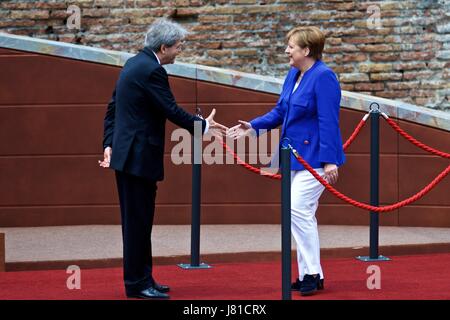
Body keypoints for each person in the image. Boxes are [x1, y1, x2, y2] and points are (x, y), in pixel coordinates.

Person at [99, 18, 227, 299]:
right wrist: (203, 126)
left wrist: (108, 143)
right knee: (137, 224)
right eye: (178, 46)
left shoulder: (134, 63)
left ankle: (144, 279)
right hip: (137, 159)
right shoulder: (152, 71)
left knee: (140, 223)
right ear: (164, 46)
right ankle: (137, 284)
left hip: (129, 157)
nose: (179, 51)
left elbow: (112, 109)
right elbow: (170, 110)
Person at [227, 26, 345, 296]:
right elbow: (281, 110)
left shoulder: (324, 77)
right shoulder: (294, 74)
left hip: (316, 159)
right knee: (301, 214)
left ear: (306, 50)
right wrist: (252, 127)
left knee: (298, 211)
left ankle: (312, 273)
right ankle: (310, 273)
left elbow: (329, 120)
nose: (286, 51)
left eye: (291, 46)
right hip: (293, 156)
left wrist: (329, 161)